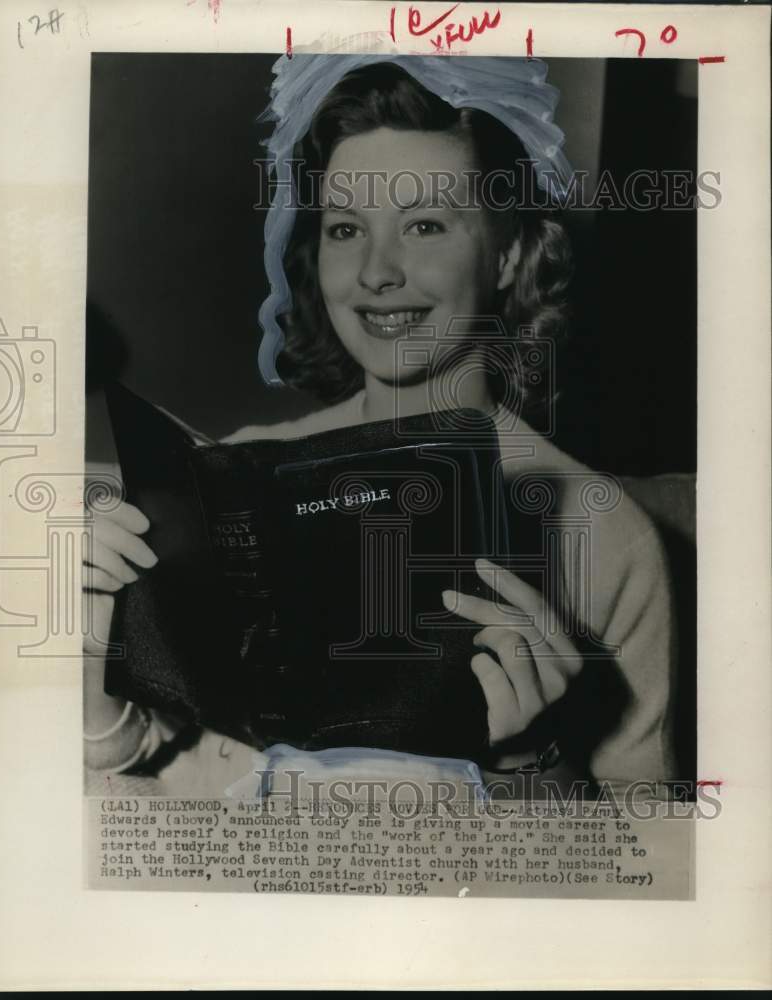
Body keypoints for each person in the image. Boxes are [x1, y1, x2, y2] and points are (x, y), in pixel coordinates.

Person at [83, 55, 676, 798]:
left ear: (511, 254)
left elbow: (647, 864)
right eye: (344, 229)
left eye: (425, 224)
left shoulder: (606, 536)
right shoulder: (235, 479)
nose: (375, 271)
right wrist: (95, 656)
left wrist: (532, 758)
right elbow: (158, 776)